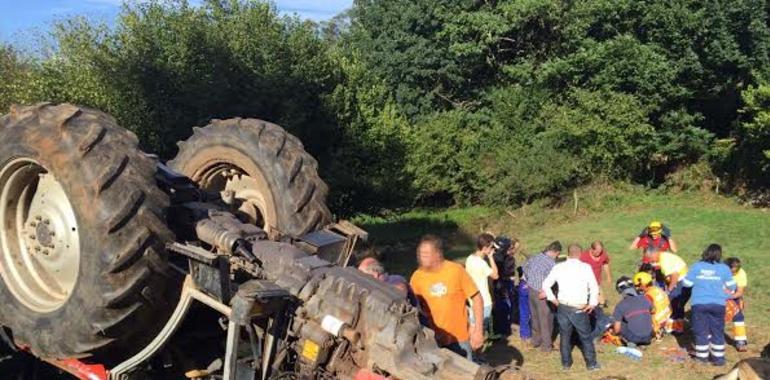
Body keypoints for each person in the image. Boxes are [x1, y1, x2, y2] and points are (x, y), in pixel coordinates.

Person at [410, 235, 484, 360]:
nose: (422, 257)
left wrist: (478, 330)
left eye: (426, 253)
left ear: (438, 254)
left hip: (460, 340)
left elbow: (477, 299)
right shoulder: (417, 278)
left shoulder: (456, 271)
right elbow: (413, 308)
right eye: (420, 253)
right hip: (432, 342)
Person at [542, 243, 600, 371]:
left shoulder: (559, 267)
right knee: (585, 336)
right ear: (580, 254)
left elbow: (546, 285)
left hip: (563, 306)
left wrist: (553, 299)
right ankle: (591, 364)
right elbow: (594, 286)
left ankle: (566, 364)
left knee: (565, 336)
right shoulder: (586, 267)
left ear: (568, 254)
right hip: (579, 307)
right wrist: (592, 303)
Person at [682, 244, 736, 366]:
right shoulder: (724, 268)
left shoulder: (696, 266)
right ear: (719, 254)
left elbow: (687, 283)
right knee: (717, 330)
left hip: (699, 304)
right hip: (718, 304)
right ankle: (719, 358)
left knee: (701, 331)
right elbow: (732, 286)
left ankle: (702, 358)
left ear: (705, 252)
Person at [522, 241, 561, 352]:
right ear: (555, 252)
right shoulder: (552, 264)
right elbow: (555, 279)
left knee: (535, 317)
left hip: (531, 290)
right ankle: (546, 346)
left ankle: (536, 341)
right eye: (557, 254)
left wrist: (530, 280)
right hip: (542, 293)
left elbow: (524, 267)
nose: (557, 257)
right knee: (546, 320)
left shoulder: (535, 257)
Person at [465, 233, 499, 336]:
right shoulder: (482, 263)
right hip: (484, 300)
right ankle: (478, 349)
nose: (492, 249)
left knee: (473, 324)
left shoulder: (469, 258)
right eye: (491, 247)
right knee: (480, 329)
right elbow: (495, 275)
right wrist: (491, 257)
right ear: (484, 248)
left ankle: (469, 349)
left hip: (472, 298)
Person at [654, 248, 689, 334]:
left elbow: (675, 275)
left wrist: (669, 289)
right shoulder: (663, 257)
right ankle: (675, 326)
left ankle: (674, 326)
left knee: (673, 302)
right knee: (677, 304)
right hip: (682, 279)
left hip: (681, 281)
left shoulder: (665, 261)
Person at [611, 276, 653, 347]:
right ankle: (641, 342)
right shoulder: (645, 298)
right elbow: (653, 310)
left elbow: (617, 329)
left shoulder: (620, 305)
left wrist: (613, 333)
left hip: (634, 338)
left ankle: (631, 341)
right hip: (649, 337)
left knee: (619, 323)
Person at [491, 236, 520, 336]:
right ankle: (501, 329)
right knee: (503, 306)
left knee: (505, 306)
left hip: (502, 284)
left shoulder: (502, 257)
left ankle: (503, 327)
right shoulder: (498, 258)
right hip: (500, 284)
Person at [633, 271, 671, 340]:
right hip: (667, 317)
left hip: (657, 322)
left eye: (638, 286)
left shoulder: (648, 295)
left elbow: (652, 310)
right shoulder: (658, 289)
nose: (637, 288)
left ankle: (657, 332)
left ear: (643, 284)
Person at [724, 257, 748, 352]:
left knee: (738, 317)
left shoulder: (741, 274)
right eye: (731, 272)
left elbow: (739, 292)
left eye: (735, 272)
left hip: (733, 297)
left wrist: (728, 297)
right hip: (717, 296)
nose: (733, 274)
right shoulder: (719, 271)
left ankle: (740, 341)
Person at [517, 265, 532, 343]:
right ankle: (526, 334)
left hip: (524, 285)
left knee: (524, 313)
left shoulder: (525, 266)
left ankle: (524, 334)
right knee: (529, 313)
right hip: (528, 286)